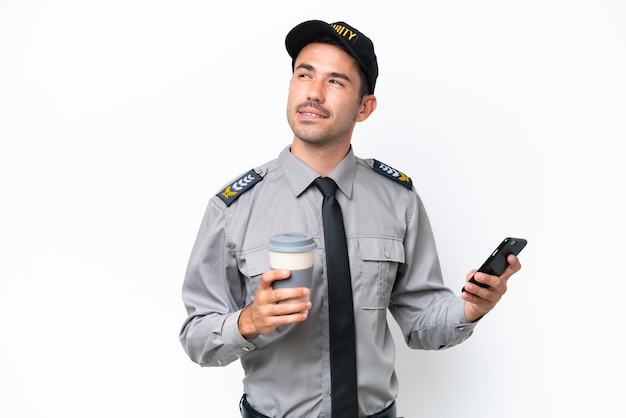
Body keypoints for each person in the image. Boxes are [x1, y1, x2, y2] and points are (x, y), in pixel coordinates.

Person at [179, 19, 522, 418]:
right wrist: (249, 320)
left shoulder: (399, 200)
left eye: (335, 82)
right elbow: (196, 337)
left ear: (365, 107)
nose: (313, 92)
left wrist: (470, 310)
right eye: (304, 74)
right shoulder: (234, 208)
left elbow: (421, 321)